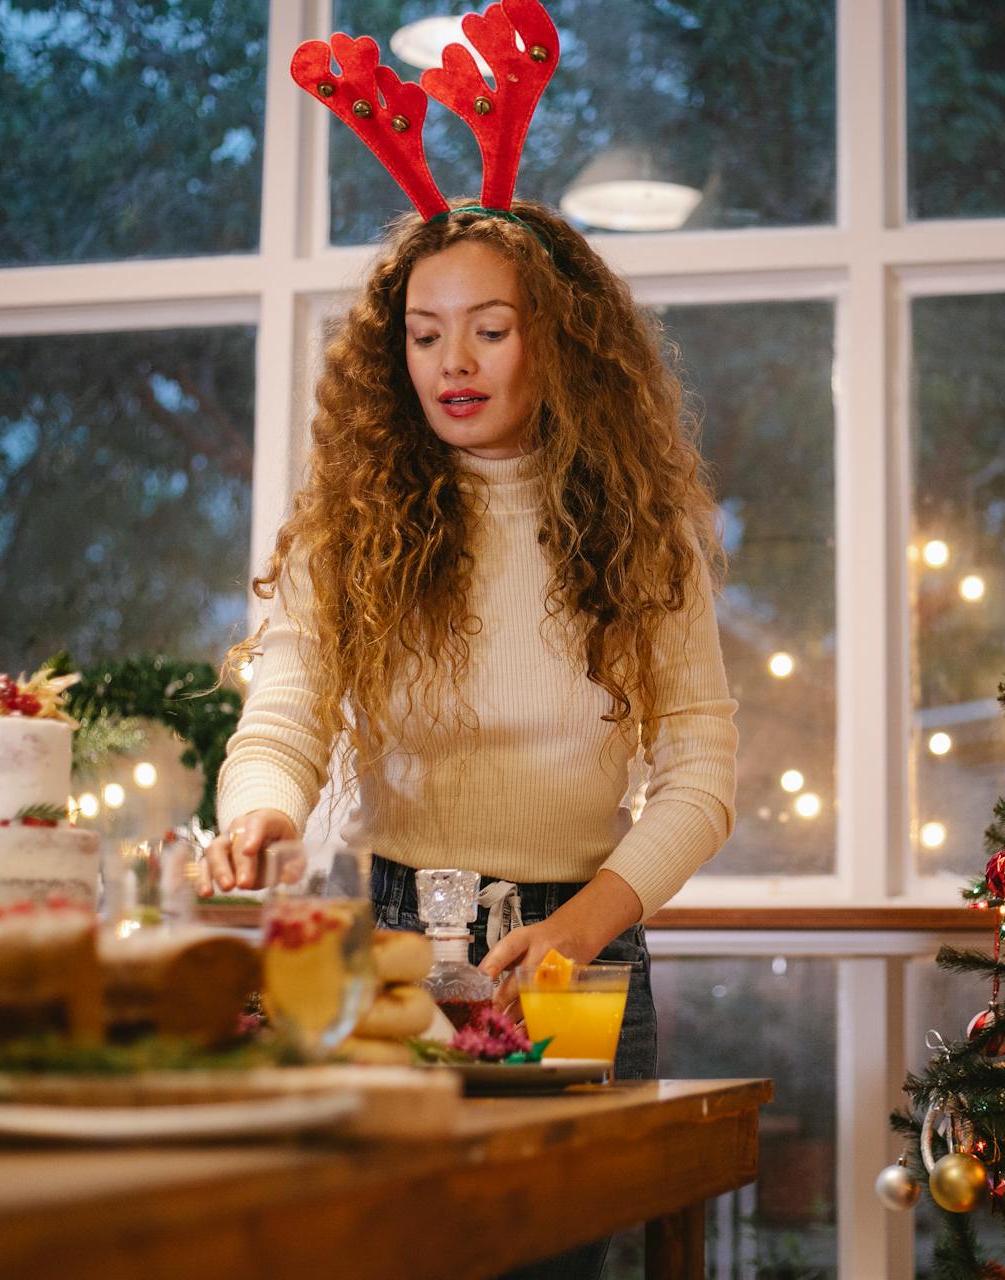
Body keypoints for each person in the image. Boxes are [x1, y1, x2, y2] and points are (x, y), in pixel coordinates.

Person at [205, 195, 739, 1075]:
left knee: (578, 1213)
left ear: (561, 341)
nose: (453, 362)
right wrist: (260, 813)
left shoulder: (645, 533)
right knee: (407, 1213)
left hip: (583, 955)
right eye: (424, 336)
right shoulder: (348, 526)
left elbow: (700, 772)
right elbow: (284, 716)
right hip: (394, 950)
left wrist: (580, 927)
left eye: (490, 331)